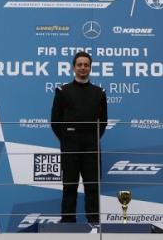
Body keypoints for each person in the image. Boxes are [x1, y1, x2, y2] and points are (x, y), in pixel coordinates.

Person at [51, 51, 108, 223]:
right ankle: (67, 225)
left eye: (86, 65)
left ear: (90, 68)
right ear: (73, 67)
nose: (83, 68)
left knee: (92, 188)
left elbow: (103, 122)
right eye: (79, 65)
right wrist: (68, 139)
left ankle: (94, 225)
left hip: (91, 148)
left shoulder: (99, 93)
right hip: (70, 147)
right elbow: (55, 121)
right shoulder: (62, 91)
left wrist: (91, 138)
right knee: (69, 187)